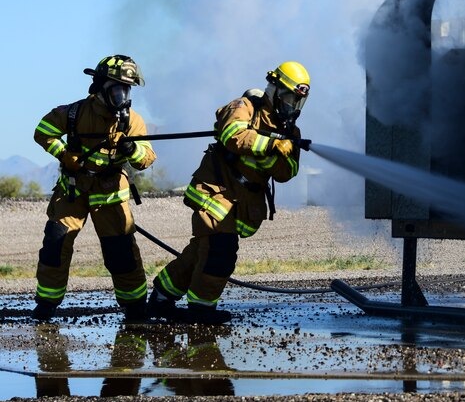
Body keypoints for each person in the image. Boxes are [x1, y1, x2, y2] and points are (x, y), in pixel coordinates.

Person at [147, 61, 310, 324]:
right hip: (217, 191)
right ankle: (201, 310)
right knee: (220, 250)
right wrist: (270, 145)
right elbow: (233, 135)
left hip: (244, 200)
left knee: (201, 250)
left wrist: (283, 150)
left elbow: (286, 173)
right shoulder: (244, 107)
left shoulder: (290, 133)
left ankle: (162, 297)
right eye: (290, 98)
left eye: (298, 102)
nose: (293, 107)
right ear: (276, 91)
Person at [33, 55, 157, 322]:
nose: (122, 96)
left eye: (126, 89)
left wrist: (132, 148)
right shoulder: (75, 113)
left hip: (110, 195)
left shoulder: (132, 121)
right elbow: (43, 131)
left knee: (121, 251)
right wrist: (64, 154)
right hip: (73, 191)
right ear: (100, 87)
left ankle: (135, 308)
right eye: (116, 89)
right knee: (56, 243)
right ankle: (45, 306)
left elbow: (146, 158)